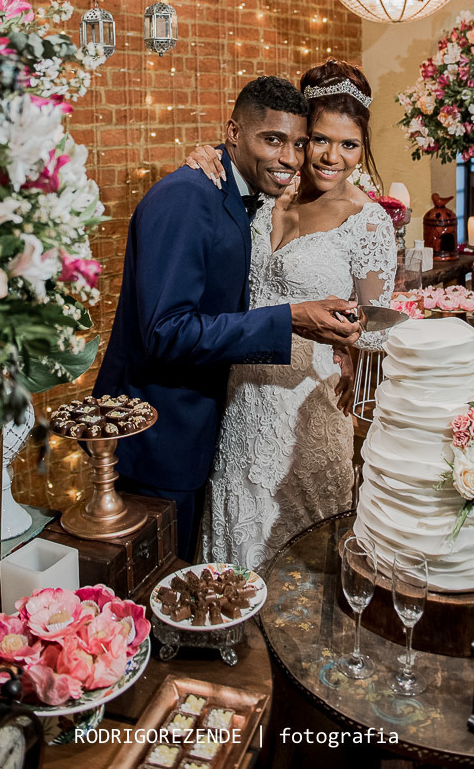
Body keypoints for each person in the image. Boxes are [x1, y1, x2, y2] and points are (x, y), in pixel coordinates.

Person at [94, 75, 361, 560]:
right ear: (233, 133)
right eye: (273, 140)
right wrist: (288, 319)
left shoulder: (253, 193)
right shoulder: (184, 198)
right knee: (159, 581)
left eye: (299, 143)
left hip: (223, 426)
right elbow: (165, 332)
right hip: (161, 431)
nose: (290, 158)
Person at [188, 60, 396, 571]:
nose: (332, 157)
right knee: (235, 540)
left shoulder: (368, 223)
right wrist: (207, 154)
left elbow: (377, 325)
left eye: (349, 145)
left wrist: (350, 341)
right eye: (319, 140)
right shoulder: (265, 196)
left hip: (308, 405)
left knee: (300, 560)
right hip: (241, 401)